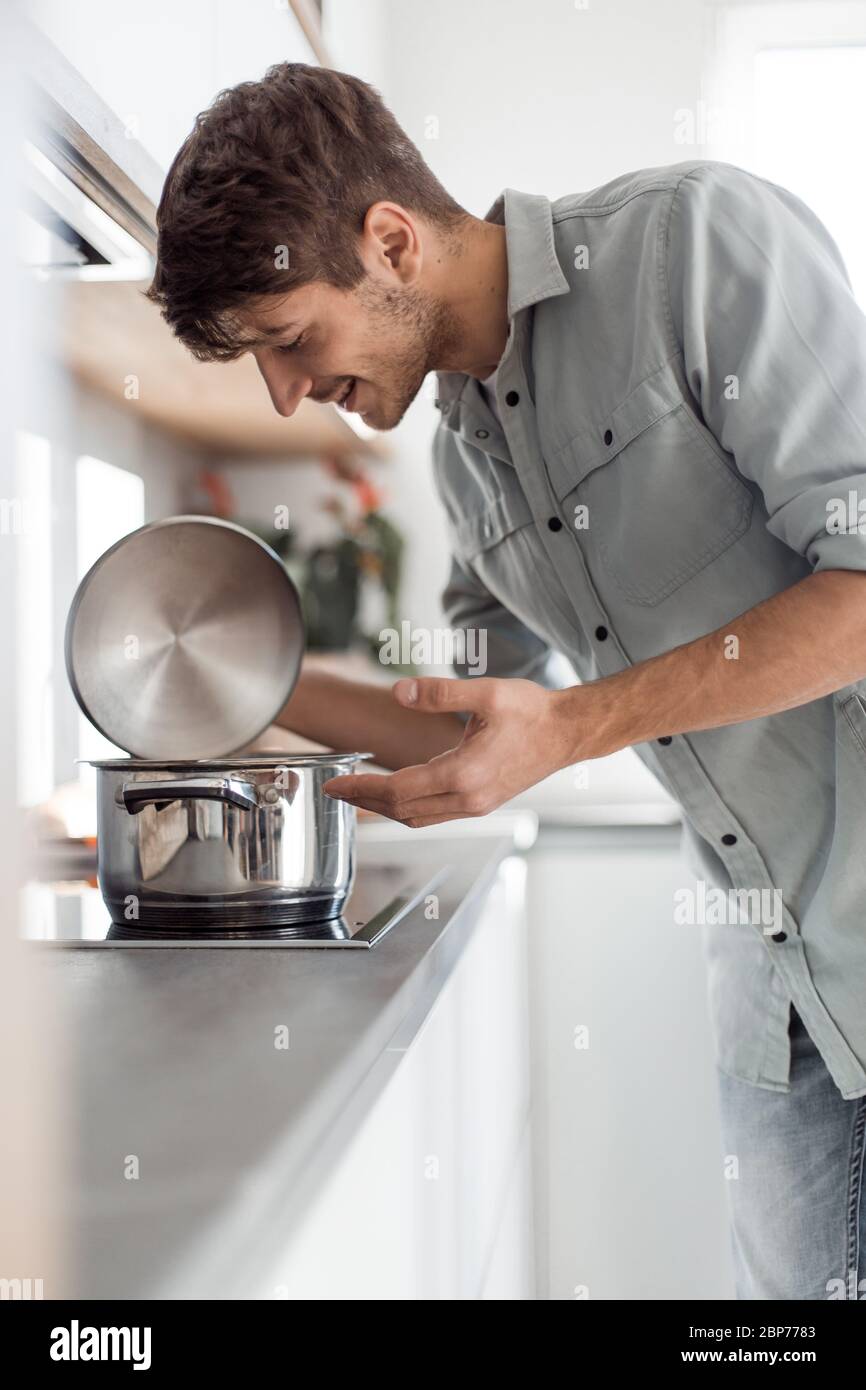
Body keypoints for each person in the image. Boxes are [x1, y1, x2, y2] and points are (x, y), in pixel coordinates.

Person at [147, 63, 866, 1299]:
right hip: (777, 1003)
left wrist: (577, 725)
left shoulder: (688, 245)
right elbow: (469, 720)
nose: (284, 392)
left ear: (389, 242)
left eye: (289, 340)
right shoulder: (465, 465)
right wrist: (237, 672)